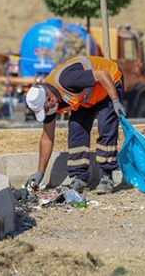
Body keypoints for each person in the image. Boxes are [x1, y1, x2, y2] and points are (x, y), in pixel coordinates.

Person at [24, 56, 126, 195]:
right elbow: (47, 137)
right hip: (87, 96)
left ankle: (106, 177)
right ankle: (79, 178)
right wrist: (40, 172)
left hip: (109, 83)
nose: (47, 113)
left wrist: (115, 101)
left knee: (106, 127)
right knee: (76, 129)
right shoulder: (49, 101)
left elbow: (102, 74)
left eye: (45, 109)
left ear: (50, 99)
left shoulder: (67, 80)